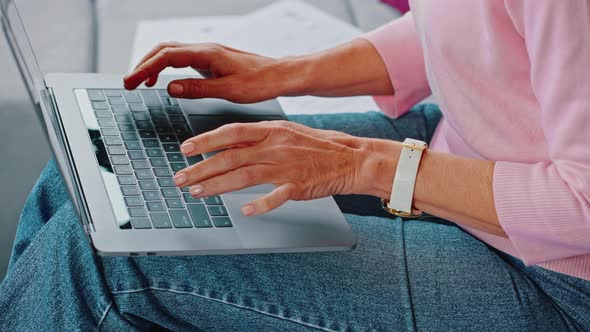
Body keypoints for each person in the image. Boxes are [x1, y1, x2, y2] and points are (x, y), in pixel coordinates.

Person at [2, 1, 589, 330]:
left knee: (104, 260)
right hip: (459, 146)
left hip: (558, 282)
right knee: (100, 162)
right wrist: (283, 74)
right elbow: (473, 22)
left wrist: (365, 163)